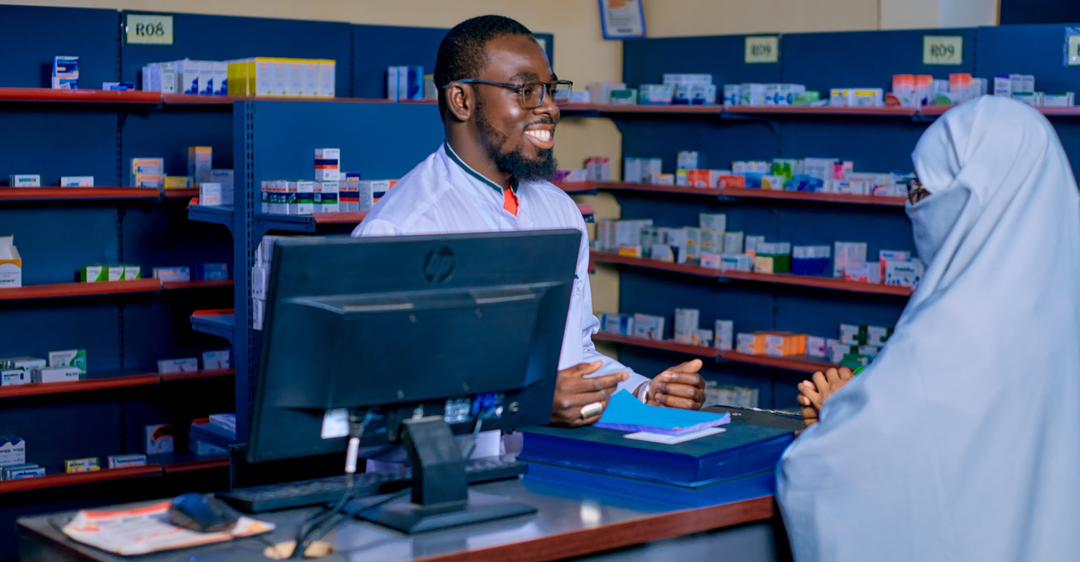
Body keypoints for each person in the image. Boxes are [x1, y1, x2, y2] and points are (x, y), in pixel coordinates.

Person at [352, 15, 706, 431]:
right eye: (526, 91)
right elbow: (375, 400)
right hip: (443, 481)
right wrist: (525, 402)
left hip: (552, 465)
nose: (551, 108)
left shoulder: (558, 211)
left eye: (551, 90)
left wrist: (646, 393)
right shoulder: (402, 229)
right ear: (461, 100)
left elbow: (574, 355)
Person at [777, 96, 1080, 561]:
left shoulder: (956, 330)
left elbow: (839, 478)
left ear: (972, 198)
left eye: (921, 195)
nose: (912, 211)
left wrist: (836, 417)